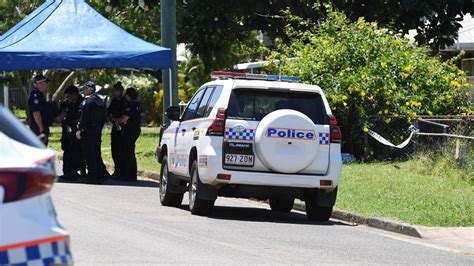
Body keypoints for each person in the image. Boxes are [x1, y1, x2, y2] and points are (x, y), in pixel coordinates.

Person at [76, 81, 110, 184]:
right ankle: (101, 175)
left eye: (85, 88)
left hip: (88, 131)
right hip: (97, 130)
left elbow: (84, 117)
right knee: (96, 153)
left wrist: (79, 129)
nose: (83, 90)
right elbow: (104, 117)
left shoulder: (88, 101)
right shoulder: (100, 100)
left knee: (89, 154)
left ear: (90, 89)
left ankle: (92, 177)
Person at [57, 85, 85, 181]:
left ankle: (81, 172)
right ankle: (68, 172)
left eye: (68, 96)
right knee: (67, 150)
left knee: (78, 151)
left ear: (74, 94)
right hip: (66, 130)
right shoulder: (65, 104)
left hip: (77, 130)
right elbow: (59, 118)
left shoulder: (82, 102)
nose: (67, 99)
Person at [113, 87, 141, 182]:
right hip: (133, 130)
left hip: (130, 131)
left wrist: (117, 120)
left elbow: (124, 118)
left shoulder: (131, 106)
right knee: (127, 152)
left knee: (128, 153)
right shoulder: (136, 104)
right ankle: (127, 173)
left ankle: (130, 175)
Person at [107, 82, 126, 179]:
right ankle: (117, 170)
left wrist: (117, 119)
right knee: (114, 149)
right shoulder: (114, 101)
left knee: (120, 150)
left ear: (120, 91)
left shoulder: (124, 101)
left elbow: (124, 114)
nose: (113, 93)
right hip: (115, 126)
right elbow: (109, 111)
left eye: (115, 91)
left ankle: (121, 171)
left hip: (123, 128)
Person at [28, 74, 53, 145]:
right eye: (45, 82)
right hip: (38, 128)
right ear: (39, 83)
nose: (46, 85)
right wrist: (40, 127)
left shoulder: (39, 94)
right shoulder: (36, 95)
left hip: (40, 127)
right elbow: (36, 112)